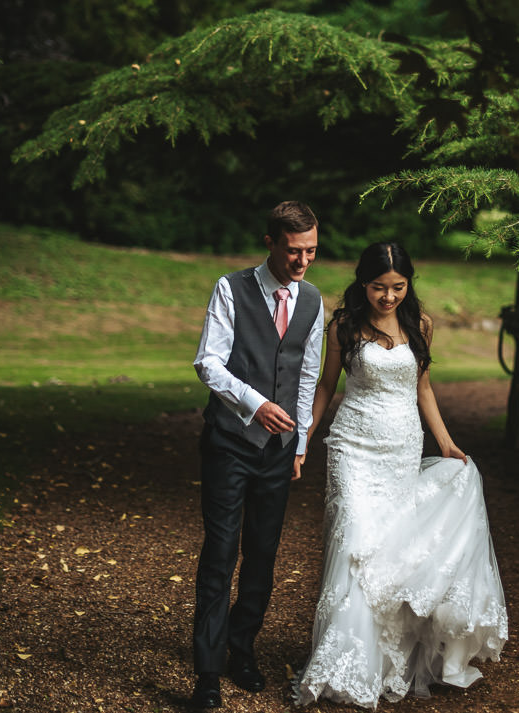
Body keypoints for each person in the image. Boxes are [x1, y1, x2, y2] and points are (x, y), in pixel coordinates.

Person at [293, 242, 507, 709]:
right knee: (354, 544)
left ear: (408, 286)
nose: (387, 297)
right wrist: (304, 436)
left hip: (401, 448)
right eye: (378, 288)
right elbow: (328, 385)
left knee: (391, 548)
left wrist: (446, 442)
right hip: (353, 446)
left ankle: (387, 660)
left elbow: (423, 388)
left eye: (397, 288)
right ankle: (343, 663)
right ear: (362, 283)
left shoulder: (420, 325)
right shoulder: (344, 327)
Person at [191, 201, 324, 709]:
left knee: (263, 557)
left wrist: (302, 444)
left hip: (279, 452)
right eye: (294, 251)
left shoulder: (313, 300)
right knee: (220, 555)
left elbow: (308, 375)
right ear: (270, 243)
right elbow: (208, 363)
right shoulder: (230, 289)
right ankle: (206, 672)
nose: (303, 261)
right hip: (228, 444)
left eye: (311, 251)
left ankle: (241, 649)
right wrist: (256, 403)